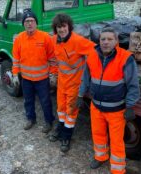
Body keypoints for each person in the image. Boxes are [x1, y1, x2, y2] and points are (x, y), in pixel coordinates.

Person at [78, 27, 140, 173]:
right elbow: (85, 78)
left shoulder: (125, 58)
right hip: (96, 107)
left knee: (117, 141)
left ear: (116, 41)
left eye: (110, 39)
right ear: (99, 41)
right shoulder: (92, 55)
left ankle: (118, 169)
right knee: (98, 134)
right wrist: (80, 96)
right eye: (103, 39)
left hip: (116, 110)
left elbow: (133, 84)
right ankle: (101, 157)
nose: (106, 42)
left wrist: (130, 106)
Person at [48, 13, 95, 152]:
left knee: (71, 111)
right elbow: (51, 54)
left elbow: (96, 51)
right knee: (61, 108)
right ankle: (60, 128)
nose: (61, 29)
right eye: (58, 27)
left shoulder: (78, 41)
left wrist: (91, 72)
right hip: (62, 82)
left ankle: (66, 137)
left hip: (75, 84)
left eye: (63, 26)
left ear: (69, 26)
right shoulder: (54, 39)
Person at [12, 10, 57, 133]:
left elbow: (52, 59)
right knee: (28, 100)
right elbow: (16, 58)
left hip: (42, 79)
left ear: (36, 23)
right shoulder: (19, 39)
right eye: (27, 21)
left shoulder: (45, 37)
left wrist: (53, 74)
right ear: (23, 24)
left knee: (45, 101)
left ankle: (49, 121)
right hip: (26, 79)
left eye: (32, 21)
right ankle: (31, 119)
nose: (29, 24)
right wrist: (15, 74)